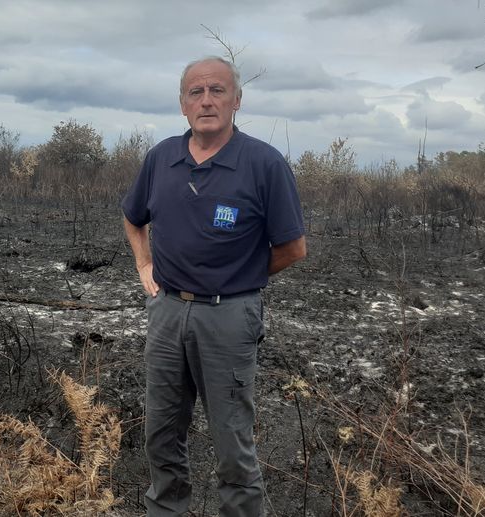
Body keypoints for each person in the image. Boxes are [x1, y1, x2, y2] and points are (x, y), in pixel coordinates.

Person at [121, 56, 306, 517]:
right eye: (195, 92)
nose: (206, 100)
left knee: (232, 445)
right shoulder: (162, 157)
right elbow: (132, 216)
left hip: (229, 317)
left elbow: (293, 248)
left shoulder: (264, 164)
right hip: (165, 313)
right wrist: (144, 262)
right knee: (161, 433)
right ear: (183, 104)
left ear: (237, 100)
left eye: (217, 90)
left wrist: (240, 276)